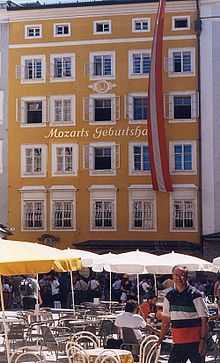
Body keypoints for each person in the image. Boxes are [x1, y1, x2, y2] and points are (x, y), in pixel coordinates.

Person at [157, 265, 209, 363]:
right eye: (176, 275)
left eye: (182, 275)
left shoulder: (195, 294)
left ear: (186, 277)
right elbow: (166, 321)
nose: (179, 278)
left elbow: (204, 319)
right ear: (172, 276)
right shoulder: (169, 296)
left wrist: (203, 341)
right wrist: (160, 340)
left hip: (196, 343)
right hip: (178, 343)